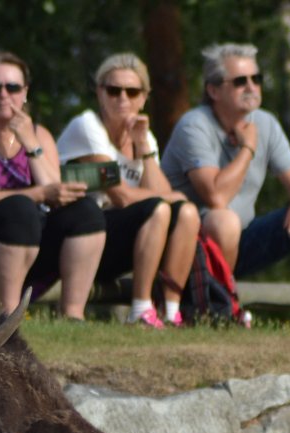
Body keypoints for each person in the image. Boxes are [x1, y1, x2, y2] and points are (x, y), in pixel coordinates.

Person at [161, 43, 290, 332]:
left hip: (237, 243)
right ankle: (218, 312)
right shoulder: (194, 126)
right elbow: (216, 196)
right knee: (224, 220)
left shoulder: (264, 122)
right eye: (240, 81)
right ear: (213, 90)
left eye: (256, 79)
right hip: (187, 252)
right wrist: (248, 148)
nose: (251, 87)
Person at [0, 51, 105, 319]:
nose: (3, 95)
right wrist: (38, 194)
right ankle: (6, 316)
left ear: (25, 92)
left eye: (12, 87)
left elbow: (58, 194)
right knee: (19, 208)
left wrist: (31, 144)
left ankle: (73, 314)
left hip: (26, 237)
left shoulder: (39, 133)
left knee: (85, 212)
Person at [56, 52, 200, 327]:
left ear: (144, 97)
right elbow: (119, 196)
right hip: (78, 240)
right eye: (114, 90)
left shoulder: (146, 137)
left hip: (120, 238)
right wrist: (168, 196)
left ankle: (171, 311)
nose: (123, 98)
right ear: (100, 93)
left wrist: (144, 149)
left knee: (188, 212)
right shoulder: (87, 126)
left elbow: (167, 201)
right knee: (158, 209)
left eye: (132, 92)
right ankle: (141, 309)